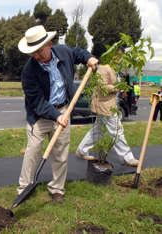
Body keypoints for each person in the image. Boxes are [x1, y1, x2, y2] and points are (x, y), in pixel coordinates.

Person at [17, 25, 98, 203]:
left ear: (49, 45)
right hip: (39, 115)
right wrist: (56, 116)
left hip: (64, 109)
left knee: (60, 151)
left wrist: (89, 58)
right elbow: (37, 102)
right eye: (33, 53)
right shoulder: (29, 72)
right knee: (33, 151)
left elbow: (79, 53)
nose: (37, 56)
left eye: (39, 51)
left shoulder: (64, 52)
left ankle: (57, 189)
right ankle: (24, 188)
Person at [76, 63, 140, 167]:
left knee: (98, 129)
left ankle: (82, 149)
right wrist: (119, 87)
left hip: (111, 105)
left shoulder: (117, 69)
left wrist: (122, 91)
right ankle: (127, 157)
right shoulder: (104, 68)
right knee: (117, 131)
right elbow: (103, 87)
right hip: (105, 106)